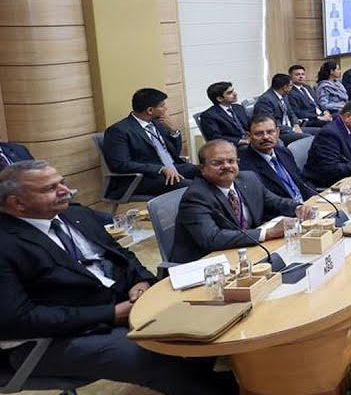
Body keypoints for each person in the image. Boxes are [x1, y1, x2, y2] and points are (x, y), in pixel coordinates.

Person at [0, 160, 236, 395]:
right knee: (152, 356)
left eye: (62, 182)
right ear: (17, 203)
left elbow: (121, 254)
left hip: (122, 305)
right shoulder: (6, 243)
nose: (65, 191)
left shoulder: (75, 213)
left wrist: (141, 281)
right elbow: (18, 320)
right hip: (56, 338)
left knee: (204, 319)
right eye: (50, 188)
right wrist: (112, 314)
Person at [169, 140, 304, 264]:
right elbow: (212, 238)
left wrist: (298, 208)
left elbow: (275, 202)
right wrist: (268, 233)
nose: (226, 166)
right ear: (202, 169)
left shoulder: (249, 179)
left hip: (245, 253)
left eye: (231, 161)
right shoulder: (196, 196)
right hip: (206, 265)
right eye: (217, 163)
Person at [101, 88, 196, 199]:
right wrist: (160, 169)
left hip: (172, 168)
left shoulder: (158, 123)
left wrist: (173, 131)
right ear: (150, 110)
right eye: (162, 106)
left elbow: (175, 153)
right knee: (193, 187)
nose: (165, 109)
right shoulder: (119, 131)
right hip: (145, 178)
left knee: (207, 172)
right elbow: (121, 164)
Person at [236, 115, 316, 204]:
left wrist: (315, 198)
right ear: (249, 136)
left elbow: (302, 181)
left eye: (270, 132)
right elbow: (264, 202)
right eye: (259, 134)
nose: (266, 137)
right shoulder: (245, 166)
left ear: (277, 133)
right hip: (285, 210)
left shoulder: (284, 152)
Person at [253, 73, 309, 143]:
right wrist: (293, 129)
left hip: (291, 127)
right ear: (285, 88)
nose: (292, 88)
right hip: (279, 132)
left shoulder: (284, 95)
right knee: (308, 138)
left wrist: (296, 124)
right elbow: (269, 123)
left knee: (318, 132)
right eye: (291, 86)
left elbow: (291, 113)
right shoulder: (266, 100)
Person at [198, 81, 250, 147]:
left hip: (250, 140)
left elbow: (249, 125)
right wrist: (242, 141)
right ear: (219, 98)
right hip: (232, 146)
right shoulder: (209, 116)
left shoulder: (238, 107)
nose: (235, 94)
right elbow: (215, 138)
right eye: (229, 93)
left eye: (233, 91)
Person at [286, 64, 333, 128]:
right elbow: (298, 113)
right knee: (330, 124)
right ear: (290, 77)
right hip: (310, 119)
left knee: (339, 117)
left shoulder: (307, 87)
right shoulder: (290, 92)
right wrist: (318, 117)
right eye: (297, 75)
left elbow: (317, 102)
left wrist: (325, 112)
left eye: (303, 74)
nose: (301, 76)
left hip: (321, 114)